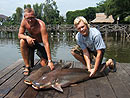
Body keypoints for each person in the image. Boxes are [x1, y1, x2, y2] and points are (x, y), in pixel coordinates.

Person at [18, 8, 54, 76]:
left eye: (32, 17)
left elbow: (46, 43)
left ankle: (44, 60)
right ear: (24, 17)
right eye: (28, 18)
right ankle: (27, 66)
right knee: (22, 41)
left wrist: (50, 61)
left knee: (44, 65)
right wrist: (27, 37)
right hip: (31, 42)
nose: (30, 20)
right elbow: (19, 35)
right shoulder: (23, 22)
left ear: (35, 16)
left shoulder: (41, 25)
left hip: (40, 44)